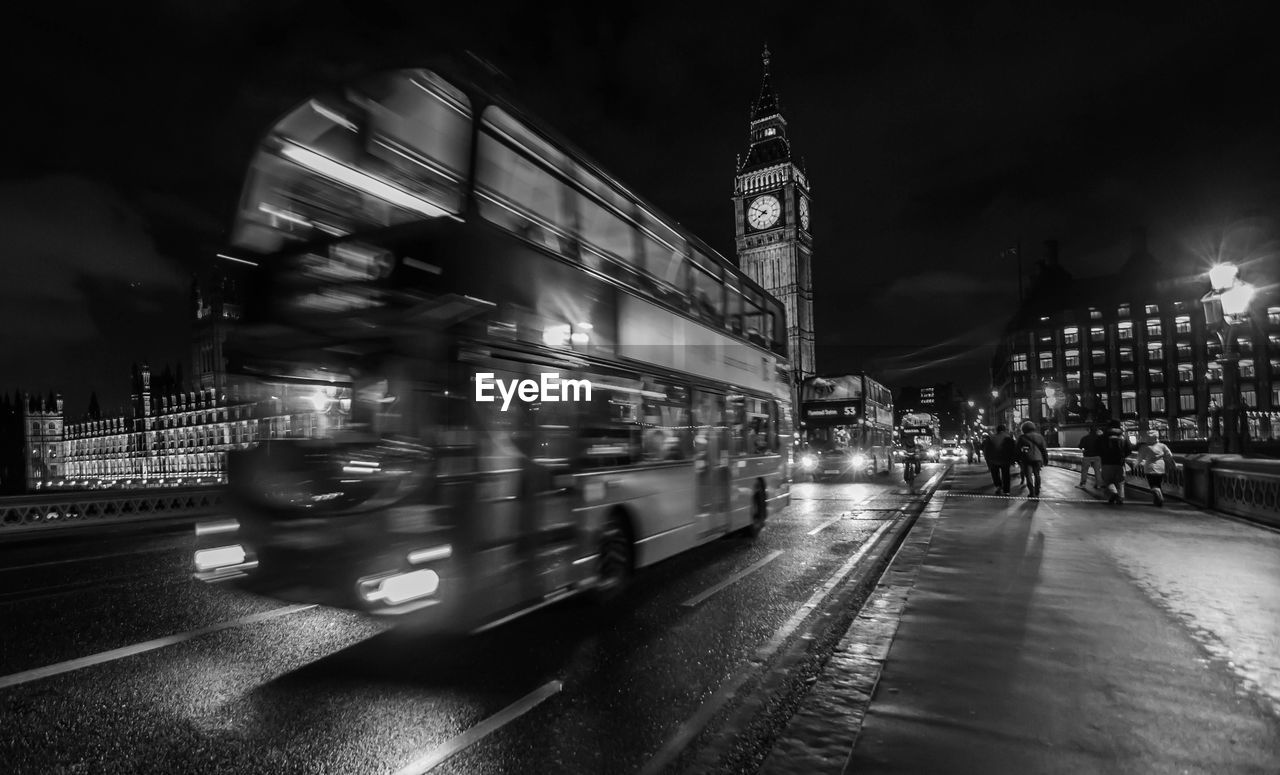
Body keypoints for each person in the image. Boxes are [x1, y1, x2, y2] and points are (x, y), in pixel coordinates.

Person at [1136, 430, 1177, 506]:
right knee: (1158, 483)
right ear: (1157, 437)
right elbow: (1169, 456)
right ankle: (1157, 501)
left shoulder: (1144, 447)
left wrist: (1136, 464)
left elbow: (1140, 458)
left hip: (1149, 468)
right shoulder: (1162, 446)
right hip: (1160, 468)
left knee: (1152, 485)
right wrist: (1173, 464)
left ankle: (1157, 494)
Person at [1098, 419, 1133, 505]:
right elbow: (1129, 450)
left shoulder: (1103, 437)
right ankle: (1120, 498)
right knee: (1120, 481)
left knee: (1107, 480)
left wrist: (1103, 456)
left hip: (1106, 463)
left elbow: (1097, 449)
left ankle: (1114, 492)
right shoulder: (1123, 437)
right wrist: (1122, 457)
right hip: (1120, 464)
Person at [1016, 421, 1049, 498]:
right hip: (1038, 458)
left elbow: (1017, 449)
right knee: (1037, 475)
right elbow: (1043, 449)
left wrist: (1017, 459)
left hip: (1026, 458)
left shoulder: (1022, 437)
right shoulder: (1039, 437)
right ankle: (1037, 490)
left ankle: (1032, 492)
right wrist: (1045, 459)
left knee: (1028, 476)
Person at [982, 424, 1016, 495]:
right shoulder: (1008, 437)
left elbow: (987, 449)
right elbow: (1012, 450)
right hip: (1005, 460)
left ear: (997, 430)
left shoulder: (992, 438)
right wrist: (1013, 460)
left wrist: (988, 458)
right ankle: (1006, 491)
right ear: (1004, 430)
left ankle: (998, 486)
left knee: (995, 474)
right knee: (1006, 475)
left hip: (994, 459)